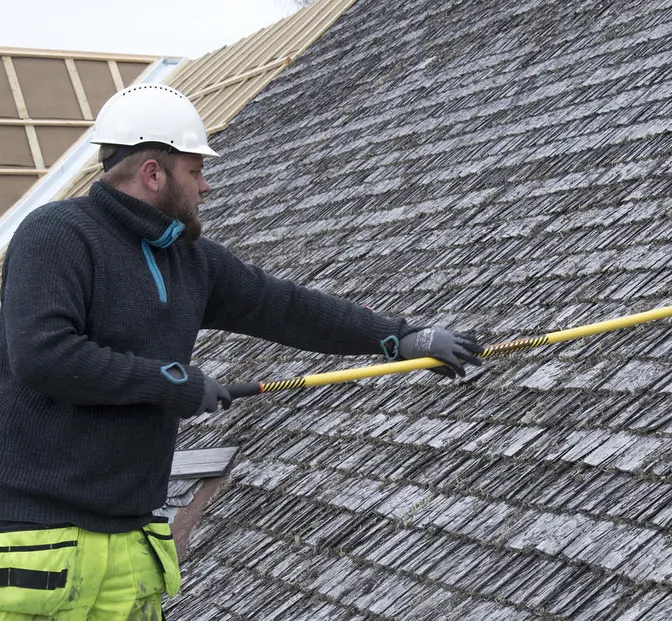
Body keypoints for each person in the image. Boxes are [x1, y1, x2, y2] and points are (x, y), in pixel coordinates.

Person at [0, 84, 483, 620]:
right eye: (195, 171)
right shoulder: (57, 234)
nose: (205, 186)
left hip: (133, 543)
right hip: (38, 545)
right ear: (154, 173)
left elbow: (286, 307)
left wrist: (400, 337)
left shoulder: (191, 260)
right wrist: (173, 383)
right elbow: (44, 354)